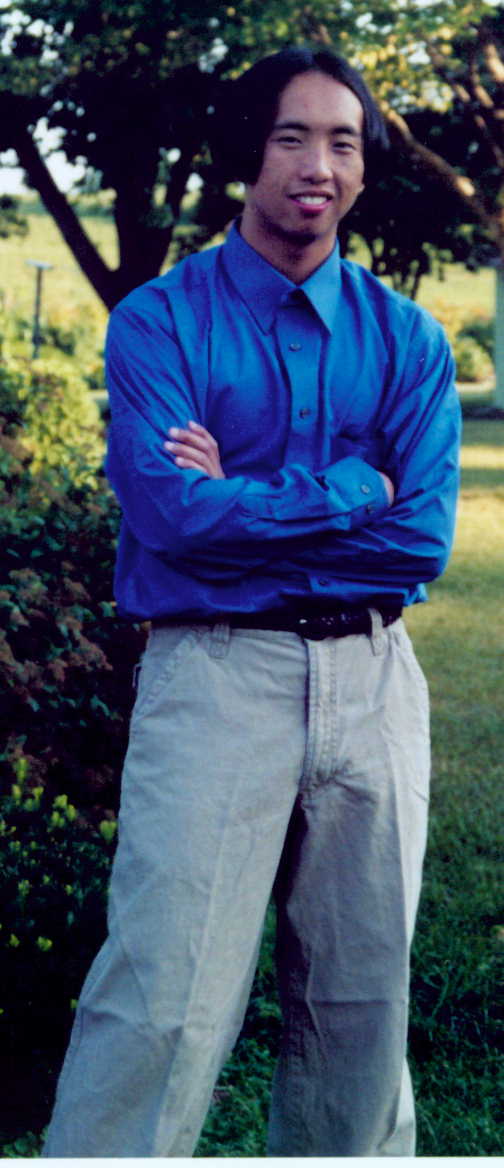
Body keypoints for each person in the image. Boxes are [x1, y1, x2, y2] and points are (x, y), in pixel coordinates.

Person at [43, 46, 460, 1157]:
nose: (318, 165)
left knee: (362, 1012)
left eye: (342, 142)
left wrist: (243, 500)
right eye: (292, 137)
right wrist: (351, 488)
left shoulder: (410, 342)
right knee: (161, 1006)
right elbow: (171, 515)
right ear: (248, 153)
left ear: (362, 166)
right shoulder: (159, 324)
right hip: (216, 676)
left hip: (375, 684)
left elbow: (422, 538)